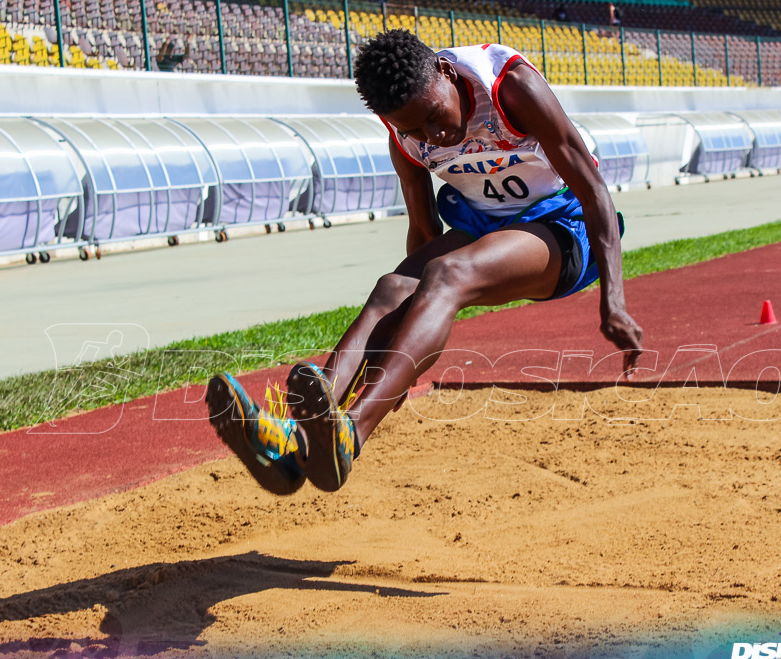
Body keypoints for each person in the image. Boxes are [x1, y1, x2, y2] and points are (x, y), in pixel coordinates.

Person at [206, 30, 643, 495]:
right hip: (484, 229)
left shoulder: (510, 87)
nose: (431, 136)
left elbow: (594, 189)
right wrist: (399, 361)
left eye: (434, 116)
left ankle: (350, 432)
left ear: (447, 73)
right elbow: (424, 231)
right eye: (414, 130)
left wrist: (613, 300)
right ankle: (294, 443)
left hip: (563, 228)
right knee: (390, 288)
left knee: (448, 273)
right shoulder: (404, 135)